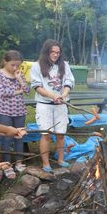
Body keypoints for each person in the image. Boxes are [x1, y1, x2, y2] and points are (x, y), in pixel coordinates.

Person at [30, 39, 75, 173]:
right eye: (52, 52)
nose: (55, 55)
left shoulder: (64, 65)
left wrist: (63, 94)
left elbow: (69, 82)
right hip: (45, 105)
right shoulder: (37, 66)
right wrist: (52, 96)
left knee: (61, 134)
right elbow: (36, 86)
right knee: (46, 134)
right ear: (46, 52)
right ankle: (46, 163)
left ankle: (61, 160)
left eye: (58, 52)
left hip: (61, 104)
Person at [0, 50, 29, 173]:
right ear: (5, 62)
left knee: (19, 137)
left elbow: (28, 90)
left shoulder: (19, 74)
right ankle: (7, 165)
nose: (15, 67)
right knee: (6, 138)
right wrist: (18, 91)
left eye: (18, 65)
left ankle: (19, 163)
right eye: (12, 65)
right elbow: (2, 93)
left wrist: (20, 79)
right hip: (5, 112)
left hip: (20, 111)